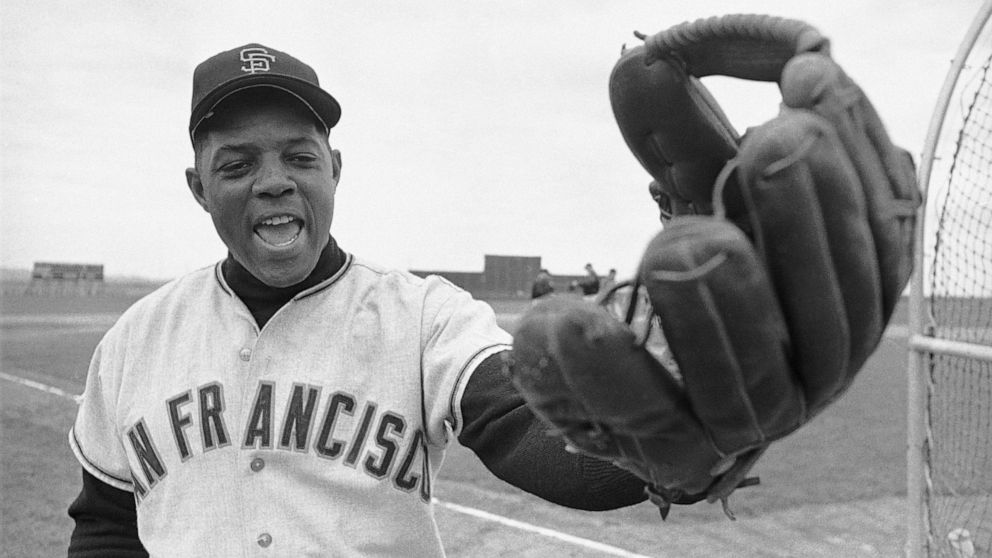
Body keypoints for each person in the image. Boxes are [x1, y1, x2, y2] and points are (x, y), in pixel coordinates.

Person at [66, 43, 647, 557]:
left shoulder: (425, 317)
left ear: (335, 170)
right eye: (238, 165)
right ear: (199, 188)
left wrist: (687, 408)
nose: (273, 182)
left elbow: (536, 435)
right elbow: (107, 527)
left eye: (300, 157)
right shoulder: (134, 340)